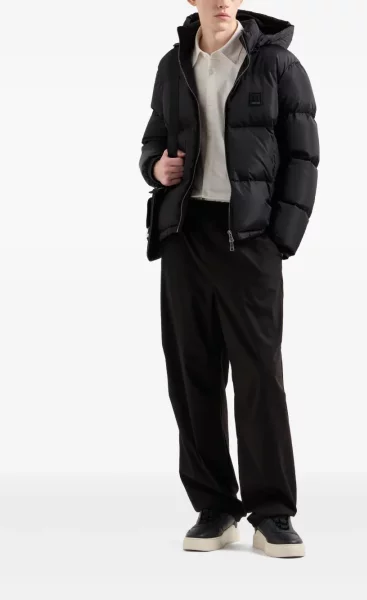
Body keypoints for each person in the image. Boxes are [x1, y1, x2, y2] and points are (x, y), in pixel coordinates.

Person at [138, 0, 319, 559]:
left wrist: (280, 238)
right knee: (192, 373)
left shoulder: (278, 64)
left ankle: (273, 513)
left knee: (259, 375)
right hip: (185, 234)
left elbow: (304, 157)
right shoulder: (173, 65)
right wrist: (154, 167)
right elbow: (153, 139)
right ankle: (214, 507)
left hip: (250, 238)